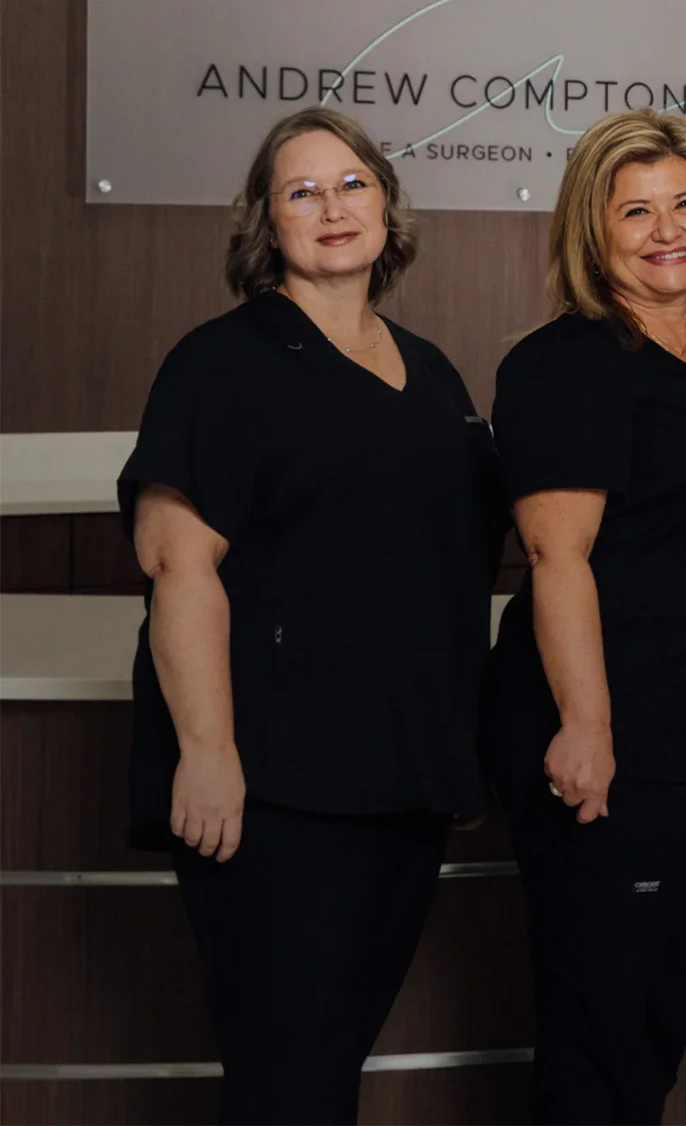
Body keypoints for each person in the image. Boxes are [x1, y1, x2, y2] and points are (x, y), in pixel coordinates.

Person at [118, 107, 506, 1122]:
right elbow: (178, 563)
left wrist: (449, 753)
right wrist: (205, 749)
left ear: (387, 204)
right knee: (288, 1074)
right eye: (302, 190)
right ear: (266, 224)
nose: (333, 207)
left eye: (353, 184)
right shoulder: (223, 363)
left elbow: (450, 576)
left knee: (332, 1060)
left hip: (400, 782)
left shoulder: (431, 374)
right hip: (274, 787)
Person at [484, 108, 686, 1123]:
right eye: (636, 210)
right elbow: (555, 553)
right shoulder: (565, 363)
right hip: (611, 738)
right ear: (593, 229)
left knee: (658, 1014)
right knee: (601, 1028)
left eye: (685, 203)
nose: (668, 229)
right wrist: (586, 726)